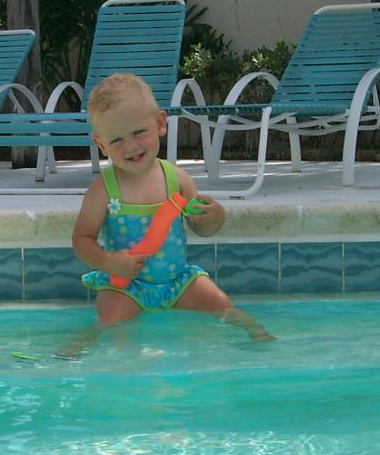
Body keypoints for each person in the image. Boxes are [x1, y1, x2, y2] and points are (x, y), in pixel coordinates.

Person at [57, 74, 273, 359]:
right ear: (102, 145)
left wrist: (214, 215)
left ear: (160, 123)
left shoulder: (177, 180)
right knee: (111, 320)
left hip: (177, 281)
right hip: (126, 284)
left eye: (138, 132)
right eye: (117, 140)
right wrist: (110, 263)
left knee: (219, 303)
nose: (131, 146)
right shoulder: (104, 189)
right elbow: (82, 239)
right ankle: (79, 346)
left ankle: (257, 335)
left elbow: (203, 230)